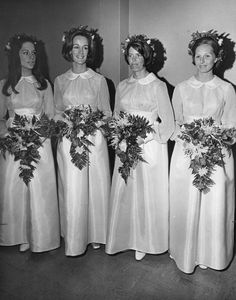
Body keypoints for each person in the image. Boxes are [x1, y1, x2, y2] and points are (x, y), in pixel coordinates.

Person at [169, 30, 236, 273]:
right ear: (193, 57)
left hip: (216, 154)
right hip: (186, 152)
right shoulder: (181, 88)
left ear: (217, 58)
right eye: (199, 56)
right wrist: (191, 139)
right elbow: (175, 124)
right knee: (187, 202)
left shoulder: (226, 89)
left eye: (208, 56)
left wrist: (213, 139)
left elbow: (231, 126)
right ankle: (185, 252)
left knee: (212, 203)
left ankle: (210, 253)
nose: (203, 61)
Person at [106, 34, 174, 260]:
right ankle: (125, 236)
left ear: (146, 57)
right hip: (126, 146)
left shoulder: (158, 86)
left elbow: (169, 123)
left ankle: (145, 240)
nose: (134, 60)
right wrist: (121, 136)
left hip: (150, 148)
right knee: (127, 191)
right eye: (130, 55)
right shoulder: (122, 85)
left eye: (138, 55)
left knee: (146, 194)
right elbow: (116, 117)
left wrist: (144, 137)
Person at [54, 26, 111, 256]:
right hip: (68, 140)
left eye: (85, 48)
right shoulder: (59, 81)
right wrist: (68, 124)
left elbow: (107, 114)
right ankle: (75, 235)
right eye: (76, 47)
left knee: (94, 187)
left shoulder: (99, 80)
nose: (80, 52)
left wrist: (91, 124)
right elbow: (56, 111)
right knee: (73, 188)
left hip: (93, 140)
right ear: (69, 50)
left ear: (90, 52)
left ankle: (96, 233)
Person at [0, 33, 60, 252]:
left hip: (38, 141)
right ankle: (18, 234)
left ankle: (41, 235)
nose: (30, 57)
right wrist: (10, 136)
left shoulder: (44, 85)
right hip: (14, 141)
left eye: (33, 53)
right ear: (16, 56)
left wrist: (37, 136)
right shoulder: (4, 85)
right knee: (14, 186)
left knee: (38, 186)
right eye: (25, 52)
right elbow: (0, 118)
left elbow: (52, 116)